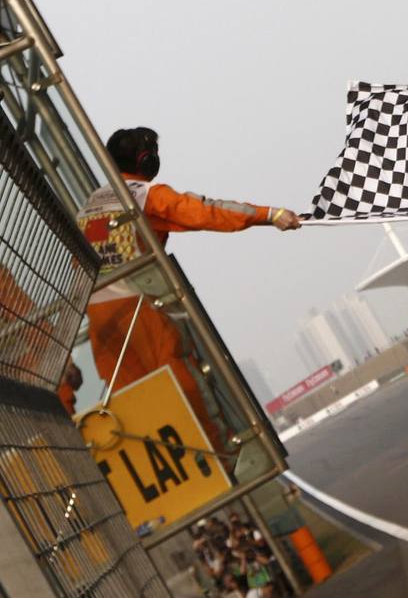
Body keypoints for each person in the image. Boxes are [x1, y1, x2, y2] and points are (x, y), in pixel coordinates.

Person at [76, 127, 301, 446]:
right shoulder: (142, 195)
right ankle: (218, 459)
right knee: (186, 389)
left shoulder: (88, 207)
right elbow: (205, 212)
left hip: (101, 324)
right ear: (146, 160)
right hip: (143, 309)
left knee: (137, 410)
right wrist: (269, 215)